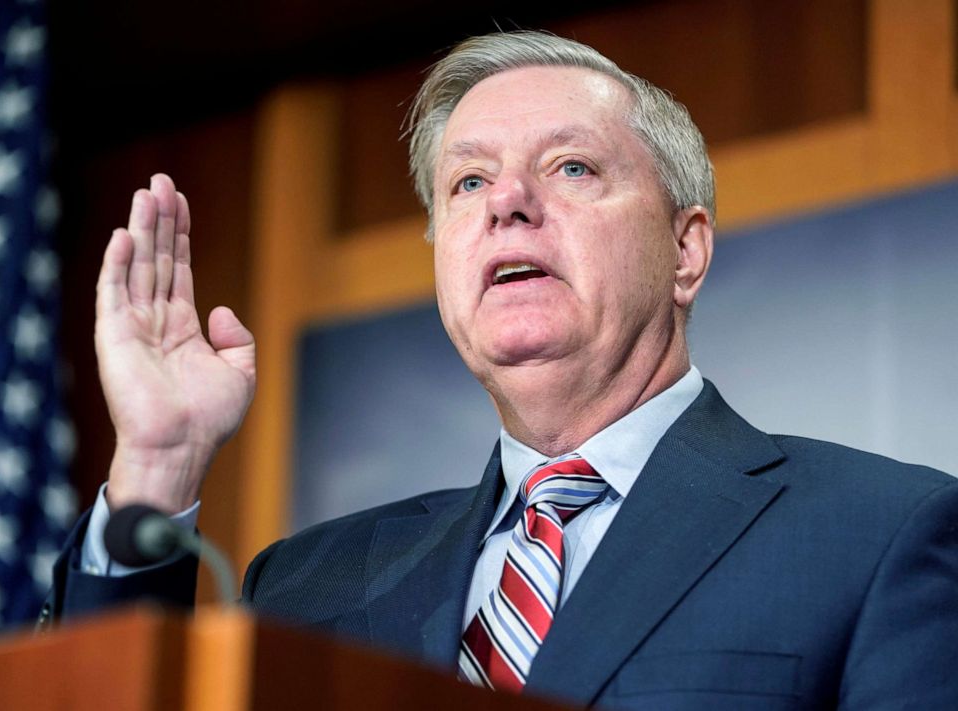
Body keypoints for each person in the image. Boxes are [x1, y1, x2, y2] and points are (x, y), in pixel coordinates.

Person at [48, 31, 958, 709]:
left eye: (569, 166)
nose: (509, 205)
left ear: (686, 251)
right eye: (469, 183)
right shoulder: (302, 586)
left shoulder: (879, 535)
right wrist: (156, 469)